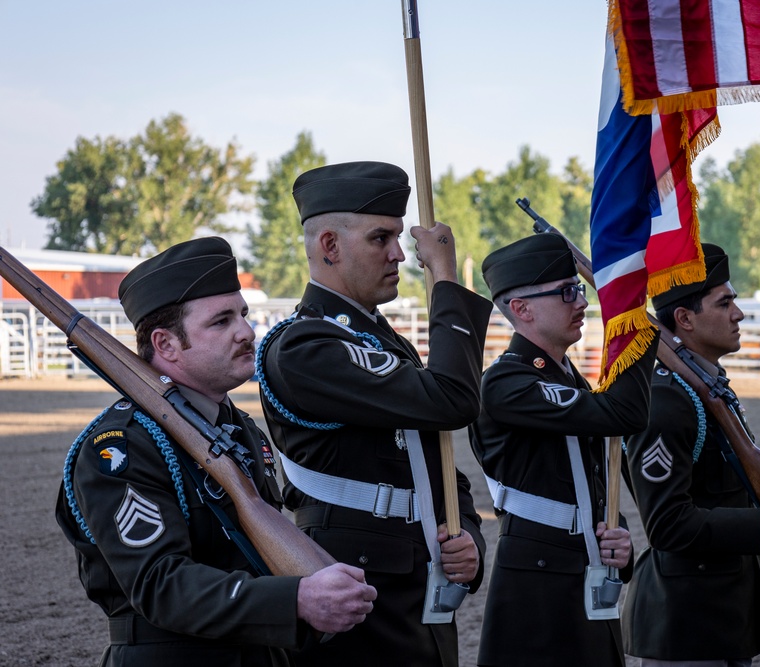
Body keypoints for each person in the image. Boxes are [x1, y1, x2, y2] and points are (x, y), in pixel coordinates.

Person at [55, 237, 377, 667]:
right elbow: (159, 584)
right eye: (221, 321)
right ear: (166, 344)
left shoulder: (239, 429)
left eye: (242, 314)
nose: (246, 331)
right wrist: (293, 599)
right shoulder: (122, 445)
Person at [256, 161, 492, 667]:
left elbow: (439, 466)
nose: (400, 255)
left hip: (415, 579)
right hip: (353, 582)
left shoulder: (379, 340)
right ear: (329, 246)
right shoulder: (306, 346)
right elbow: (453, 401)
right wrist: (445, 280)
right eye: (380, 238)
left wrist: (466, 533)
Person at [622, 243, 760, 666]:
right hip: (685, 624)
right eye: (724, 302)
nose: (739, 313)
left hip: (719, 614)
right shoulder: (666, 400)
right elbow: (666, 525)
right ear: (685, 318)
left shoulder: (705, 388)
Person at [470, 234, 660, 667]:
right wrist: (634, 326)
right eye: (567, 292)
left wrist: (617, 534)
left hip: (582, 569)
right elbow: (623, 413)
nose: (583, 302)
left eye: (579, 288)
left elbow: (583, 478)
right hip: (538, 582)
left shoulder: (567, 377)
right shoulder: (505, 383)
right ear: (521, 309)